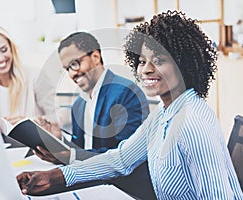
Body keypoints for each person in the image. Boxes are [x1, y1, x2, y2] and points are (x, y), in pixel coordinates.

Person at [17, 11, 243, 199]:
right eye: (142, 61)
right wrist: (55, 176)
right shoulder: (164, 114)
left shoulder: (191, 122)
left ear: (183, 63)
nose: (145, 69)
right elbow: (120, 159)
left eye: (159, 60)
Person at [34, 32, 155, 199]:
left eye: (75, 64)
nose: (72, 73)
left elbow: (124, 158)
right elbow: (82, 152)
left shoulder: (126, 92)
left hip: (124, 190)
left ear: (96, 57)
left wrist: (70, 155)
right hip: (91, 186)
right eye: (67, 68)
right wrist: (59, 140)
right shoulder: (79, 104)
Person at [0, 23, 53, 132]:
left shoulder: (35, 77)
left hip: (32, 148)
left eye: (4, 50)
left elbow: (57, 119)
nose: (0, 58)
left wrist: (30, 123)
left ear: (11, 48)